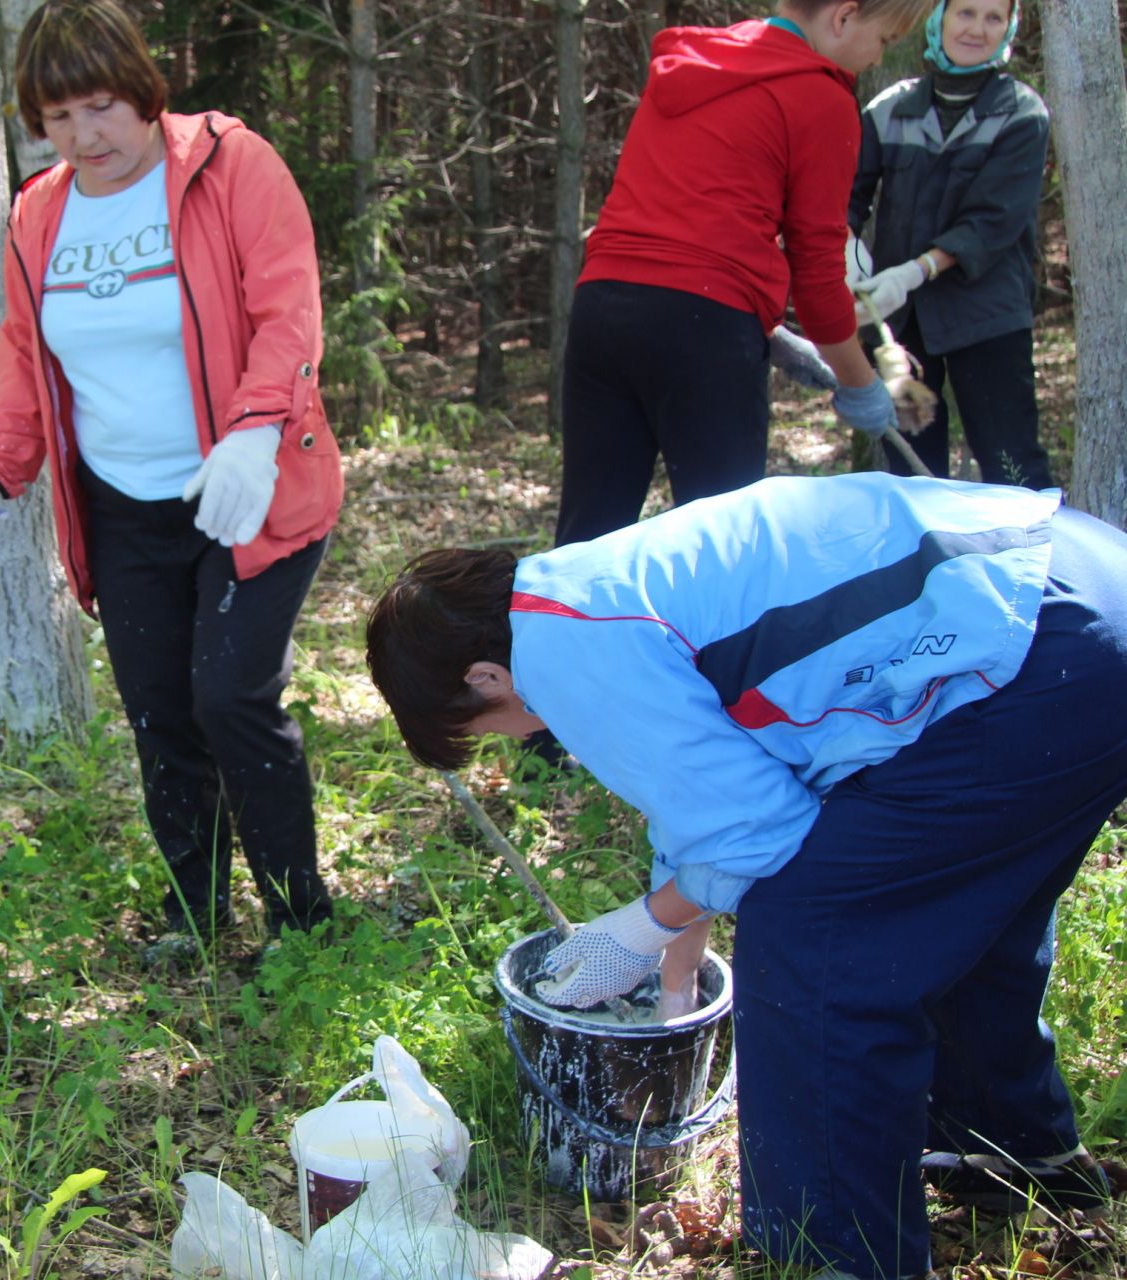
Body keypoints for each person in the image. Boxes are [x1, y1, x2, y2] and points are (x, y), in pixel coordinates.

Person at [365, 473, 1125, 1279]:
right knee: (957, 911)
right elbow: (698, 808)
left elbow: (760, 831)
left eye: (484, 728)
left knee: (813, 933)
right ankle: (1011, 1155)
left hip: (1034, 651)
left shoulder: (561, 654)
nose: (512, 736)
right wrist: (673, 988)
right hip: (1079, 593)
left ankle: (837, 1250)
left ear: (485, 677)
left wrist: (640, 926)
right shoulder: (580, 590)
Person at [0, 0, 341, 961]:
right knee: (161, 715)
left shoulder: (231, 165)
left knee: (231, 698)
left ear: (144, 90)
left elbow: (288, 311)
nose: (86, 136)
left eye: (103, 106)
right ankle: (194, 917)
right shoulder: (40, 214)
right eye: (59, 118)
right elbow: (26, 360)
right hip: (124, 513)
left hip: (247, 493)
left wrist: (252, 434)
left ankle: (302, 926)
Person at [554, 0, 931, 549]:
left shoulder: (694, 66)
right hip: (703, 331)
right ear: (844, 17)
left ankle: (557, 635)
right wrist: (860, 383)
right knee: (725, 552)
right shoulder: (822, 96)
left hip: (603, 308)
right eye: (885, 38)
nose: (878, 56)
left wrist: (768, 330)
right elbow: (817, 268)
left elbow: (680, 226)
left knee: (586, 542)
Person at [848, 0, 1052, 487]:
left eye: (993, 18)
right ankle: (931, 562)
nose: (977, 29)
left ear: (1009, 26)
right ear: (939, 18)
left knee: (1012, 462)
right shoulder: (889, 107)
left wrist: (915, 270)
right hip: (903, 324)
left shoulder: (1022, 112)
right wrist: (844, 255)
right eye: (965, 13)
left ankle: (1033, 562)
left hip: (987, 316)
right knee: (913, 474)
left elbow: (992, 220)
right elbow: (845, 196)